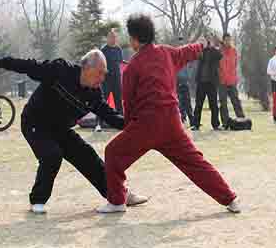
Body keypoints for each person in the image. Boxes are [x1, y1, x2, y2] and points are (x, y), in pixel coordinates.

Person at [96, 14, 240, 214]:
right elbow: (187, 51)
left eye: (130, 38)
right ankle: (230, 198)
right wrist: (202, 44)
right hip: (172, 123)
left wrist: (130, 128)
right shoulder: (166, 53)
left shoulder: (132, 67)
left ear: (135, 40)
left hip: (146, 125)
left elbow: (128, 102)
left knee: (113, 153)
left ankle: (117, 202)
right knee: (194, 162)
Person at [0, 50, 147, 214]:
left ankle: (119, 195)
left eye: (105, 74)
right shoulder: (60, 70)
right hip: (35, 123)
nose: (103, 78)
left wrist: (136, 125)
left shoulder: (94, 94)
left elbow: (110, 116)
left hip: (60, 129)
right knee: (52, 154)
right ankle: (37, 200)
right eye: (100, 73)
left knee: (87, 156)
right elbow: (27, 65)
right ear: (87, 68)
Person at [191, 35, 222, 131]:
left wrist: (212, 46)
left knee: (214, 105)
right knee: (198, 104)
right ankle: (196, 124)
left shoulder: (215, 52)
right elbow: (195, 54)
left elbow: (220, 55)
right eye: (207, 40)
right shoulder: (201, 51)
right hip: (201, 82)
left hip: (211, 83)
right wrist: (201, 45)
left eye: (209, 41)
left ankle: (215, 125)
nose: (208, 42)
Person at [95, 31, 123, 132]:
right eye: (111, 37)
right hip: (106, 80)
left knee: (118, 102)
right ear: (107, 38)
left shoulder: (118, 49)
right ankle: (98, 124)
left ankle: (121, 123)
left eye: (115, 37)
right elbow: (100, 65)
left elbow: (120, 62)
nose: (113, 39)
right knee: (102, 102)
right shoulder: (103, 50)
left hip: (117, 79)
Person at [218, 33, 245, 128]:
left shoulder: (234, 51)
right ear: (223, 40)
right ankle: (225, 123)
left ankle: (242, 119)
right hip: (222, 82)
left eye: (229, 40)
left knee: (236, 101)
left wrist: (235, 77)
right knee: (223, 103)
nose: (228, 41)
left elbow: (235, 65)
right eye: (226, 40)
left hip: (232, 81)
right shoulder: (219, 51)